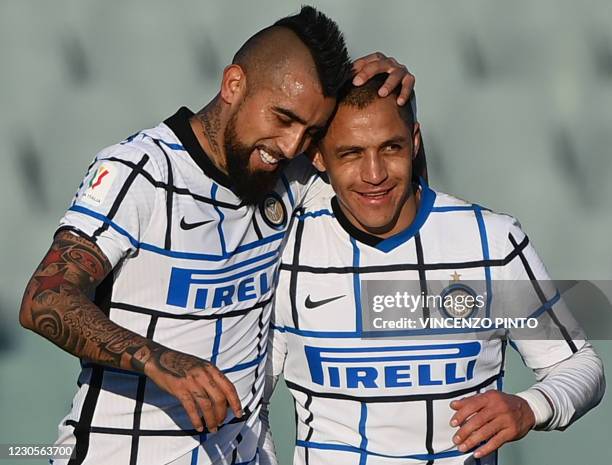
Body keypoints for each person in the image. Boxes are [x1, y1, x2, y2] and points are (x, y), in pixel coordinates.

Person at [18, 7, 421, 465]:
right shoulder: (141, 170)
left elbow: (394, 187)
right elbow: (43, 299)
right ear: (233, 85)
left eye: (309, 131)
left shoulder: (289, 171)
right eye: (282, 118)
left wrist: (395, 95)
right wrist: (163, 361)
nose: (290, 146)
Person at [261, 74, 605, 465]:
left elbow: (579, 364)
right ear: (319, 157)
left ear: (415, 141)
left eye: (390, 147)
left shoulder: (490, 240)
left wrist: (530, 407)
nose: (375, 174)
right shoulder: (286, 251)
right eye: (351, 153)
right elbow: (250, 402)